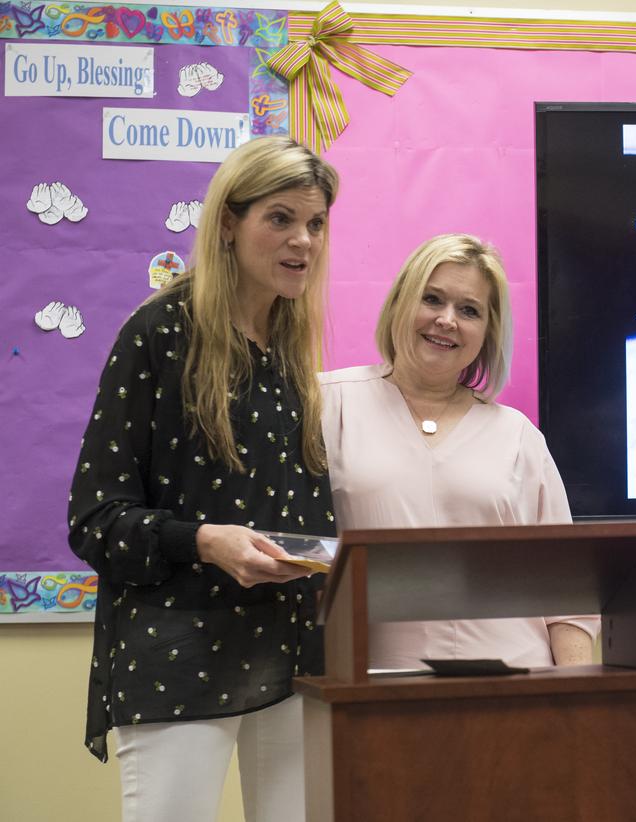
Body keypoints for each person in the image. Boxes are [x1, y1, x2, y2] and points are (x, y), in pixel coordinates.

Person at [67, 135, 339, 822]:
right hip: (173, 654)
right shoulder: (158, 334)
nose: (302, 241)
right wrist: (205, 541)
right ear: (227, 221)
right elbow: (95, 519)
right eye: (279, 218)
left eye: (315, 223)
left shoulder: (290, 347)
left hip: (289, 651)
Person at [320, 233, 598, 669]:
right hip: (374, 689)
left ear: (488, 333)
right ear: (399, 304)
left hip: (515, 687)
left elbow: (568, 594)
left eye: (469, 310)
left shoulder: (518, 436)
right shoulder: (328, 405)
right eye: (432, 299)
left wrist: (581, 701)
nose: (447, 320)